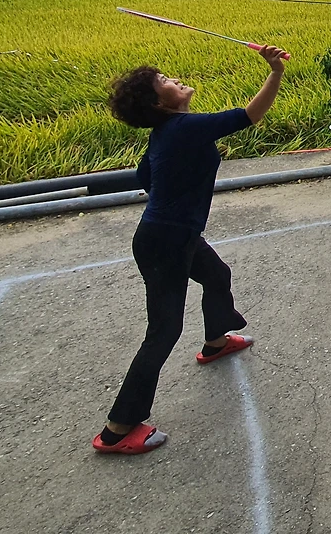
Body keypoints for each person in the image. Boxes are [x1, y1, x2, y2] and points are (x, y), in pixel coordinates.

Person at [93, 44, 288, 454]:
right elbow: (248, 116)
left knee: (217, 275)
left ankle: (216, 341)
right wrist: (275, 72)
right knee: (164, 331)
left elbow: (144, 176)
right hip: (166, 242)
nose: (174, 79)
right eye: (164, 81)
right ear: (158, 103)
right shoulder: (183, 128)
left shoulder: (167, 133)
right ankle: (118, 428)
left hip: (173, 235)